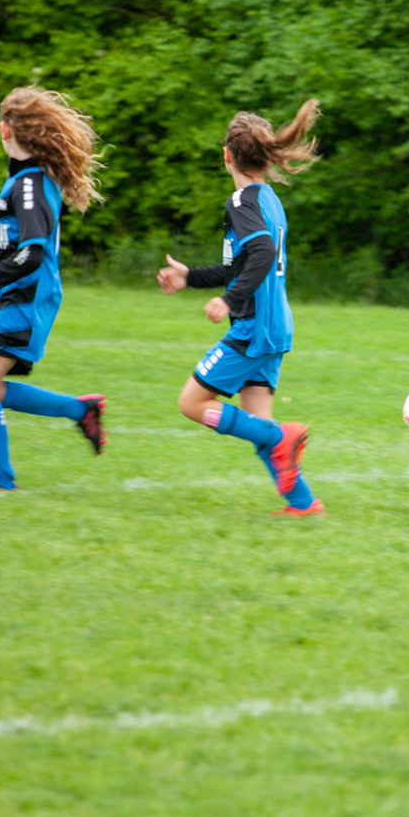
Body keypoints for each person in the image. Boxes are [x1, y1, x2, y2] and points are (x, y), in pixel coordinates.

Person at [157, 102, 323, 516]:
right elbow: (242, 264)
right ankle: (303, 504)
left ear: (226, 155)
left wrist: (229, 300)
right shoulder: (269, 200)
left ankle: (283, 438)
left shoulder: (241, 201)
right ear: (266, 158)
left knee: (192, 403)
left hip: (253, 327)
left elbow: (261, 252)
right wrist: (191, 277)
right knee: (258, 423)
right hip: (275, 326)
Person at [0, 86, 106, 492]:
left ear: (6, 130)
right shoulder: (25, 180)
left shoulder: (29, 185)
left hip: (27, 299)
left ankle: (2, 482)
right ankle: (81, 410)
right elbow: (14, 249)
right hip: (17, 298)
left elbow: (33, 254)